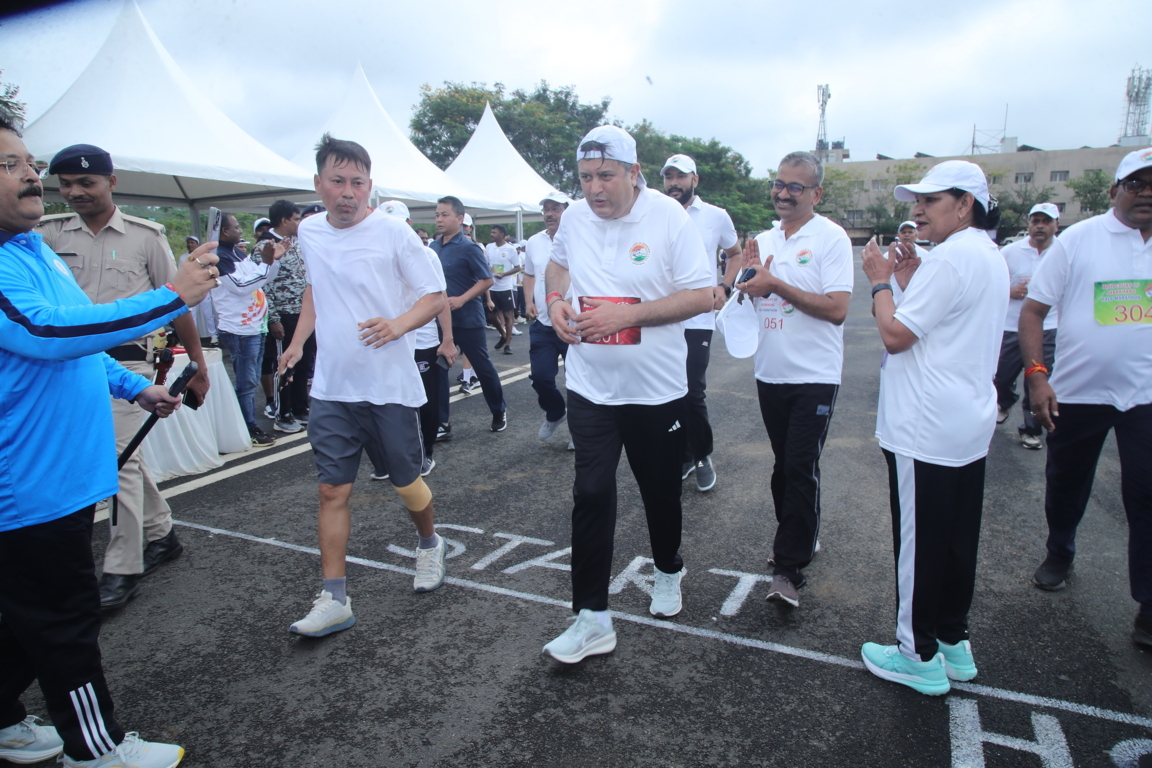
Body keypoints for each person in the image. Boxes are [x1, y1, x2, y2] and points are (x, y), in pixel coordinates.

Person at [0, 114, 219, 767]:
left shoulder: (30, 248)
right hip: (27, 486)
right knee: (64, 621)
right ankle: (95, 750)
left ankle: (4, 721)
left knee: (27, 616)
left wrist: (133, 386)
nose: (31, 176)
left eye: (28, 162)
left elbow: (74, 338)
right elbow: (43, 332)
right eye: (9, 166)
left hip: (58, 477)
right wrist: (170, 298)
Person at [541, 125, 713, 663]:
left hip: (656, 390)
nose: (595, 189)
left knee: (659, 493)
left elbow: (702, 296)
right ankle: (591, 617)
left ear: (634, 173)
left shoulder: (669, 217)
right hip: (590, 385)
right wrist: (555, 301)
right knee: (591, 493)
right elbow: (557, 264)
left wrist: (628, 315)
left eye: (606, 176)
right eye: (586, 177)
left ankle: (668, 568)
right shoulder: (574, 217)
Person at [279, 134, 448, 637]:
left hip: (388, 386)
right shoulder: (310, 231)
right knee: (332, 489)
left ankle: (429, 544)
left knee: (405, 481)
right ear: (319, 184)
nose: (348, 192)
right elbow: (315, 291)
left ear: (370, 185)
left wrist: (398, 325)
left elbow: (434, 296)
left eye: (357, 182)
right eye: (338, 181)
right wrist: (297, 342)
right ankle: (334, 599)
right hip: (332, 387)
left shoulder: (394, 234)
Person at [36, 143, 210, 611]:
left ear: (111, 182)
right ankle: (161, 533)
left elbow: (179, 302)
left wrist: (197, 364)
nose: (75, 192)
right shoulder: (47, 234)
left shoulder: (145, 236)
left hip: (130, 365)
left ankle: (122, 567)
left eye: (86, 182)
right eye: (66, 184)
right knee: (126, 455)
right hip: (73, 365)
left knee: (117, 458)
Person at [858, 160, 1008, 696]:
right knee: (956, 539)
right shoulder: (987, 253)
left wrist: (880, 282)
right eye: (917, 201)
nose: (918, 210)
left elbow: (896, 335)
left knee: (920, 543)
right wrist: (905, 283)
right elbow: (943, 318)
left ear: (965, 204)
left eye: (931, 200)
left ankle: (916, 654)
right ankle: (951, 641)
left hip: (927, 424)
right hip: (965, 420)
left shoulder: (949, 257)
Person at [1021, 148, 1152, 649]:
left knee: (1146, 494)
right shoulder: (1079, 240)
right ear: (1115, 190)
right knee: (1066, 482)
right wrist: (1037, 376)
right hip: (1078, 392)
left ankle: (1149, 606)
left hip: (1146, 397)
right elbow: (1034, 311)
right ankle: (1060, 551)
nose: (1145, 192)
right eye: (1135, 183)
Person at [734, 151, 853, 607]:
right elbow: (754, 302)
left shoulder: (831, 238)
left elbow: (837, 309)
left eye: (795, 187)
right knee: (784, 467)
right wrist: (747, 289)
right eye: (779, 184)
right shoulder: (763, 240)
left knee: (801, 466)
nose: (783, 194)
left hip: (814, 375)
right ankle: (799, 534)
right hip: (771, 372)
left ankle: (788, 568)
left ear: (815, 194)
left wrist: (776, 284)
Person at [661, 153, 742, 491]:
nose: (674, 183)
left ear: (695, 180)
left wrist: (725, 286)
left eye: (681, 176)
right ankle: (682, 455)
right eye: (669, 177)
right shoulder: (654, 212)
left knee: (692, 390)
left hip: (697, 317)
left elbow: (734, 254)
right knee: (666, 392)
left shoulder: (715, 216)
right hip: (661, 317)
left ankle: (701, 455)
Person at [378, 199, 457, 477]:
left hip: (422, 340)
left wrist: (447, 339)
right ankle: (388, 458)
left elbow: (440, 299)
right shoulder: (374, 255)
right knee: (388, 402)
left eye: (399, 224)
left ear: (409, 225)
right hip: (386, 341)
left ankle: (426, 453)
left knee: (424, 402)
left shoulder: (427, 255)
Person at [432, 196, 508, 432]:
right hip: (439, 320)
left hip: (467, 319)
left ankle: (498, 410)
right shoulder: (432, 248)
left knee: (482, 366)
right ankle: (442, 422)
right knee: (438, 368)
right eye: (437, 215)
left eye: (445, 215)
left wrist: (462, 299)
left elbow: (487, 280)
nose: (439, 219)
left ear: (459, 218)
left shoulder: (469, 248)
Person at [211, 212, 285, 448]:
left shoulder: (237, 253)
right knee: (246, 382)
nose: (240, 230)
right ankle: (247, 426)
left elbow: (263, 278)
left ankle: (247, 424)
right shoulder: (218, 257)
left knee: (250, 380)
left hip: (255, 326)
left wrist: (272, 261)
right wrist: (265, 264)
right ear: (225, 231)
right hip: (239, 329)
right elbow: (242, 286)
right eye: (236, 227)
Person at [992, 203, 1060, 449]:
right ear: (1028, 224)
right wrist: (1009, 291)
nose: (1040, 226)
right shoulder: (1010, 252)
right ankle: (1005, 400)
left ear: (1056, 225)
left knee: (1037, 379)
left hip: (1048, 327)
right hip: (1011, 326)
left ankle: (1030, 430)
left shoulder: (1063, 252)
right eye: (1035, 221)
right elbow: (991, 283)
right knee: (1000, 376)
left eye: (1046, 221)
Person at [256, 200, 312, 434]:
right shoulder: (265, 247)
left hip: (304, 313)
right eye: (296, 219)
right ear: (284, 220)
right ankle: (282, 413)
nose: (299, 223)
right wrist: (274, 318)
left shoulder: (297, 242)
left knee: (303, 363)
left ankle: (300, 408)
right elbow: (261, 286)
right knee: (285, 365)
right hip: (283, 313)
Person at [523, 191, 572, 442]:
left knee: (578, 382)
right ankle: (555, 413)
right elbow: (529, 274)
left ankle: (580, 431)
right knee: (541, 378)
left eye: (556, 209)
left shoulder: (580, 238)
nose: (549, 214)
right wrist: (528, 301)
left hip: (575, 324)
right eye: (546, 209)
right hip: (543, 323)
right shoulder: (534, 242)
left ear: (567, 211)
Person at [485, 224, 521, 355]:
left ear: (502, 234)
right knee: (491, 315)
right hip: (492, 286)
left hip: (505, 287)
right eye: (491, 232)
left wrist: (504, 274)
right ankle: (503, 334)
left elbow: (517, 267)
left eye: (494, 232)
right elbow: (486, 264)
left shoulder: (510, 249)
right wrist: (489, 270)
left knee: (508, 315)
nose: (491, 234)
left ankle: (508, 344)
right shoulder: (489, 247)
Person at [179, 235, 216, 343]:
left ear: (198, 245)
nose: (190, 244)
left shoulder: (204, 256)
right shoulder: (183, 257)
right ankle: (193, 339)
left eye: (192, 243)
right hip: (190, 289)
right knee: (191, 315)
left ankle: (214, 336)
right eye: (189, 242)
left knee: (208, 314)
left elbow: (210, 270)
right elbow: (180, 273)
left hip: (203, 287)